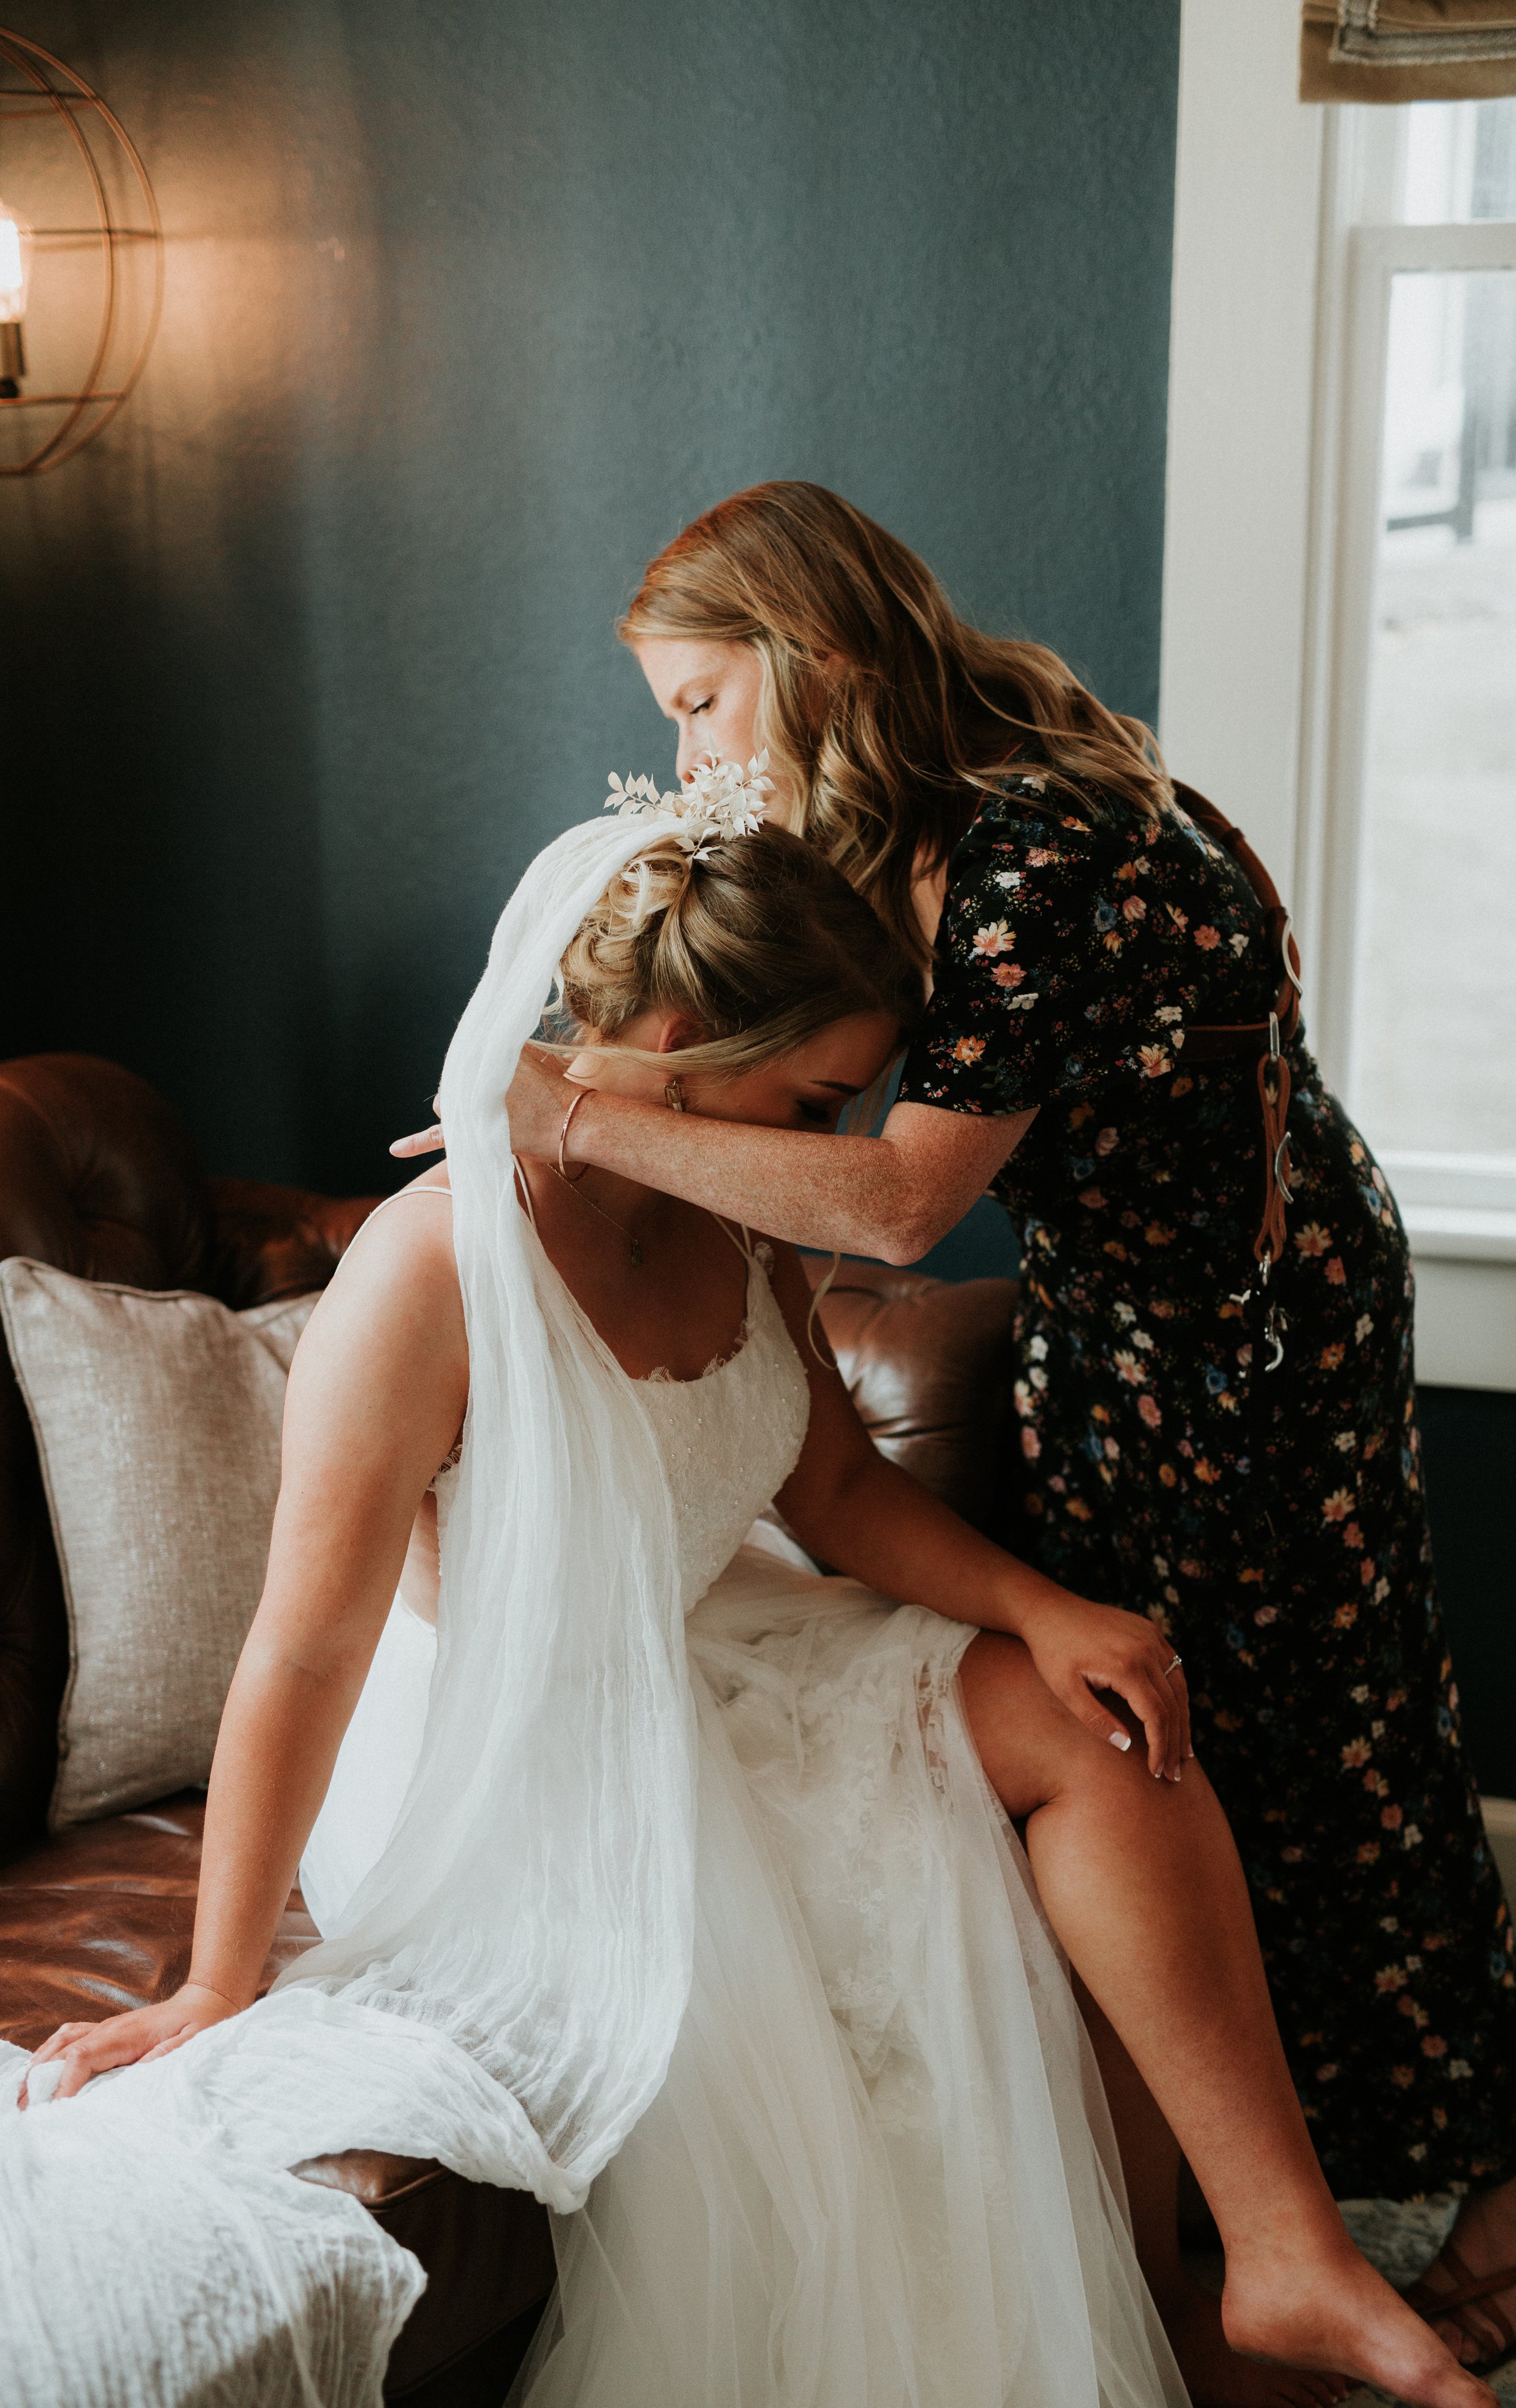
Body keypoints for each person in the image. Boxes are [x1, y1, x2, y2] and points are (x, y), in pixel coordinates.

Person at [0, 792, 1492, 2408]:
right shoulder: (431, 1269)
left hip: (723, 1632)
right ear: (678, 1042)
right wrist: (212, 1978)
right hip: (515, 1742)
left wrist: (1046, 1610)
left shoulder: (734, 1211)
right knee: (854, 1933)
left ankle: (1264, 2263)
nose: (834, 1144)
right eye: (815, 1098)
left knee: (1101, 1735)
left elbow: (836, 1493)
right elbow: (307, 1646)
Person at [473, 482, 1516, 2384]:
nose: (686, 755)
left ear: (817, 657)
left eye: (701, 703)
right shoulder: (951, 806)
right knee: (1175, 1718)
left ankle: (1433, 2183)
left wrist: (575, 1113)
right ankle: (1226, 2227)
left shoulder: (1034, 847)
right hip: (1122, 1311)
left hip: (1242, 1327)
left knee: (1317, 1741)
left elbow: (892, 1206)